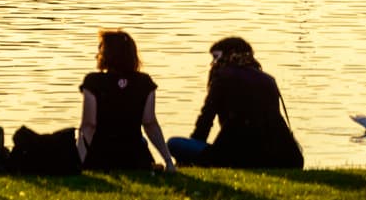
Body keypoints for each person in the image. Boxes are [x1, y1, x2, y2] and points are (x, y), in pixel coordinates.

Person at [166, 36, 303, 169]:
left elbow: (205, 121)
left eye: (215, 57)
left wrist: (195, 144)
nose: (213, 63)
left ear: (228, 55)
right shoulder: (268, 80)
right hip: (276, 157)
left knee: (174, 143)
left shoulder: (222, 77)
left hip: (234, 156)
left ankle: (187, 167)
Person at [76, 29, 177, 172]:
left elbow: (89, 125)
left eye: (100, 49)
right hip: (135, 158)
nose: (96, 54)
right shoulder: (144, 82)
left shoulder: (94, 82)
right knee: (141, 141)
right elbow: (150, 123)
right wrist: (168, 160)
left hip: (101, 157)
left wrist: (80, 163)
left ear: (106, 55)